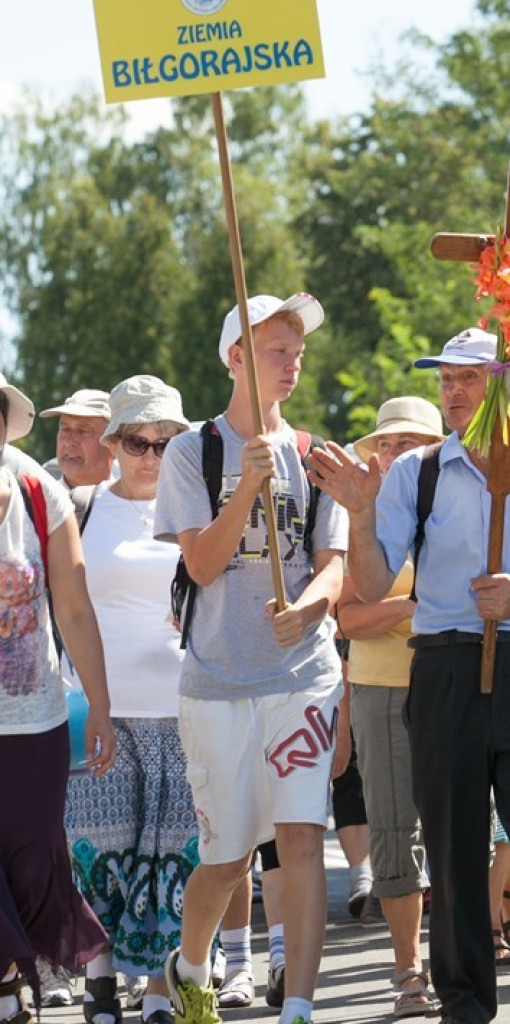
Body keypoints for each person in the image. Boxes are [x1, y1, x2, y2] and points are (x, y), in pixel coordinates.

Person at [308, 327, 510, 1024]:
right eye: (445, 379)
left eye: (468, 378)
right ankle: (463, 1003)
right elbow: (370, 581)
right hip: (445, 670)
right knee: (455, 846)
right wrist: (360, 514)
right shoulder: (416, 472)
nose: (451, 391)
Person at [154, 292, 347, 1024]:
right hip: (217, 682)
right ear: (237, 357)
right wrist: (248, 487)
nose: (293, 364)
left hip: (302, 678)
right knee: (227, 858)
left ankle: (298, 1007)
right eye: (276, 351)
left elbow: (334, 566)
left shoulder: (316, 454)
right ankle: (189, 965)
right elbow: (201, 564)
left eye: (298, 353)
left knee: (301, 839)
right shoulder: (191, 452)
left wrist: (312, 609)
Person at [63, 375, 195, 1024]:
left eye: (165, 443)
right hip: (98, 708)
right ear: (112, 443)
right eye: (138, 442)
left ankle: (159, 993)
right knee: (99, 851)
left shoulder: (198, 511)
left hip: (183, 707)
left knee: (173, 857)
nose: (152, 456)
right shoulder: (80, 508)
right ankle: (99, 979)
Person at [0, 373, 116, 1024]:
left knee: (29, 865)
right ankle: (5, 985)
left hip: (32, 720)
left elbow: (73, 607)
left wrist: (99, 703)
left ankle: (10, 978)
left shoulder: (38, 492)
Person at [336, 395, 444, 1017]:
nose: (395, 452)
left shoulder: (465, 506)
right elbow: (347, 618)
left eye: (409, 442)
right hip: (381, 688)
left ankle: (459, 957)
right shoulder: (363, 517)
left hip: (454, 683)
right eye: (386, 443)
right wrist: (407, 609)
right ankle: (409, 971)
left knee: (460, 828)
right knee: (394, 832)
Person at [39, 390, 115, 488]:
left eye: (83, 431)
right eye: (65, 430)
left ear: (113, 443)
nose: (69, 442)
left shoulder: (131, 497)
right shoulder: (34, 496)